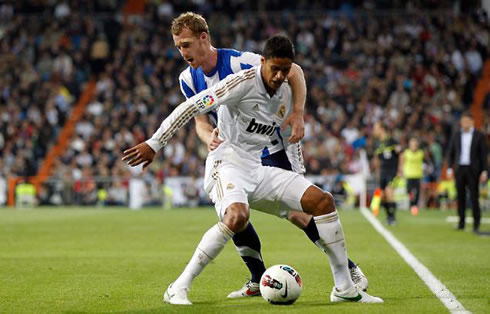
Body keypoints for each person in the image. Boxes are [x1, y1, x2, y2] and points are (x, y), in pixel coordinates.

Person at [123, 34, 383, 305]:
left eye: (285, 70)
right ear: (262, 63)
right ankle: (178, 287)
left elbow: (291, 124)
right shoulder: (241, 80)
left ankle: (344, 287)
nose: (280, 75)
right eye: (275, 69)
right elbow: (193, 107)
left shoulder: (285, 92)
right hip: (226, 164)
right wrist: (155, 143)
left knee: (321, 201)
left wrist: (297, 162)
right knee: (237, 217)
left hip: (256, 166)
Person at [170, 12, 367, 297]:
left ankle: (347, 268)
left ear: (204, 38)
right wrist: (208, 138)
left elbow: (294, 71)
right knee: (234, 213)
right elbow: (201, 122)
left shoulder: (238, 62)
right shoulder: (187, 79)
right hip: (234, 153)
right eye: (178, 46)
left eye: (186, 44)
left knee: (299, 214)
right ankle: (256, 278)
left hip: (270, 147)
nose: (182, 52)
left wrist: (298, 112)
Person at [447, 112, 488, 233]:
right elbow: (451, 152)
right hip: (460, 169)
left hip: (473, 169)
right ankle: (461, 222)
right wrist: (450, 168)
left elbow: (483, 155)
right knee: (460, 196)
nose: (464, 123)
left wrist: (484, 171)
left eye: (466, 121)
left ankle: (476, 223)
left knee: (474, 196)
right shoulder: (456, 135)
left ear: (472, 122)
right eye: (462, 121)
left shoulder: (479, 135)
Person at [373, 121, 402, 225]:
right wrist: (377, 171)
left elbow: (401, 155)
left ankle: (393, 218)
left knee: (389, 191)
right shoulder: (377, 143)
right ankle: (389, 217)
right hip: (383, 172)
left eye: (375, 128)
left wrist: (400, 170)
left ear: (382, 129)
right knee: (383, 195)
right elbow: (377, 158)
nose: (374, 131)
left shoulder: (392, 141)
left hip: (392, 171)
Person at [398, 137, 424, 215]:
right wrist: (400, 171)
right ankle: (412, 203)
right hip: (409, 175)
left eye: (415, 144)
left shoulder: (420, 153)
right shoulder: (406, 153)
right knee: (409, 190)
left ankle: (414, 206)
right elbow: (401, 162)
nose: (414, 145)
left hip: (417, 175)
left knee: (417, 191)